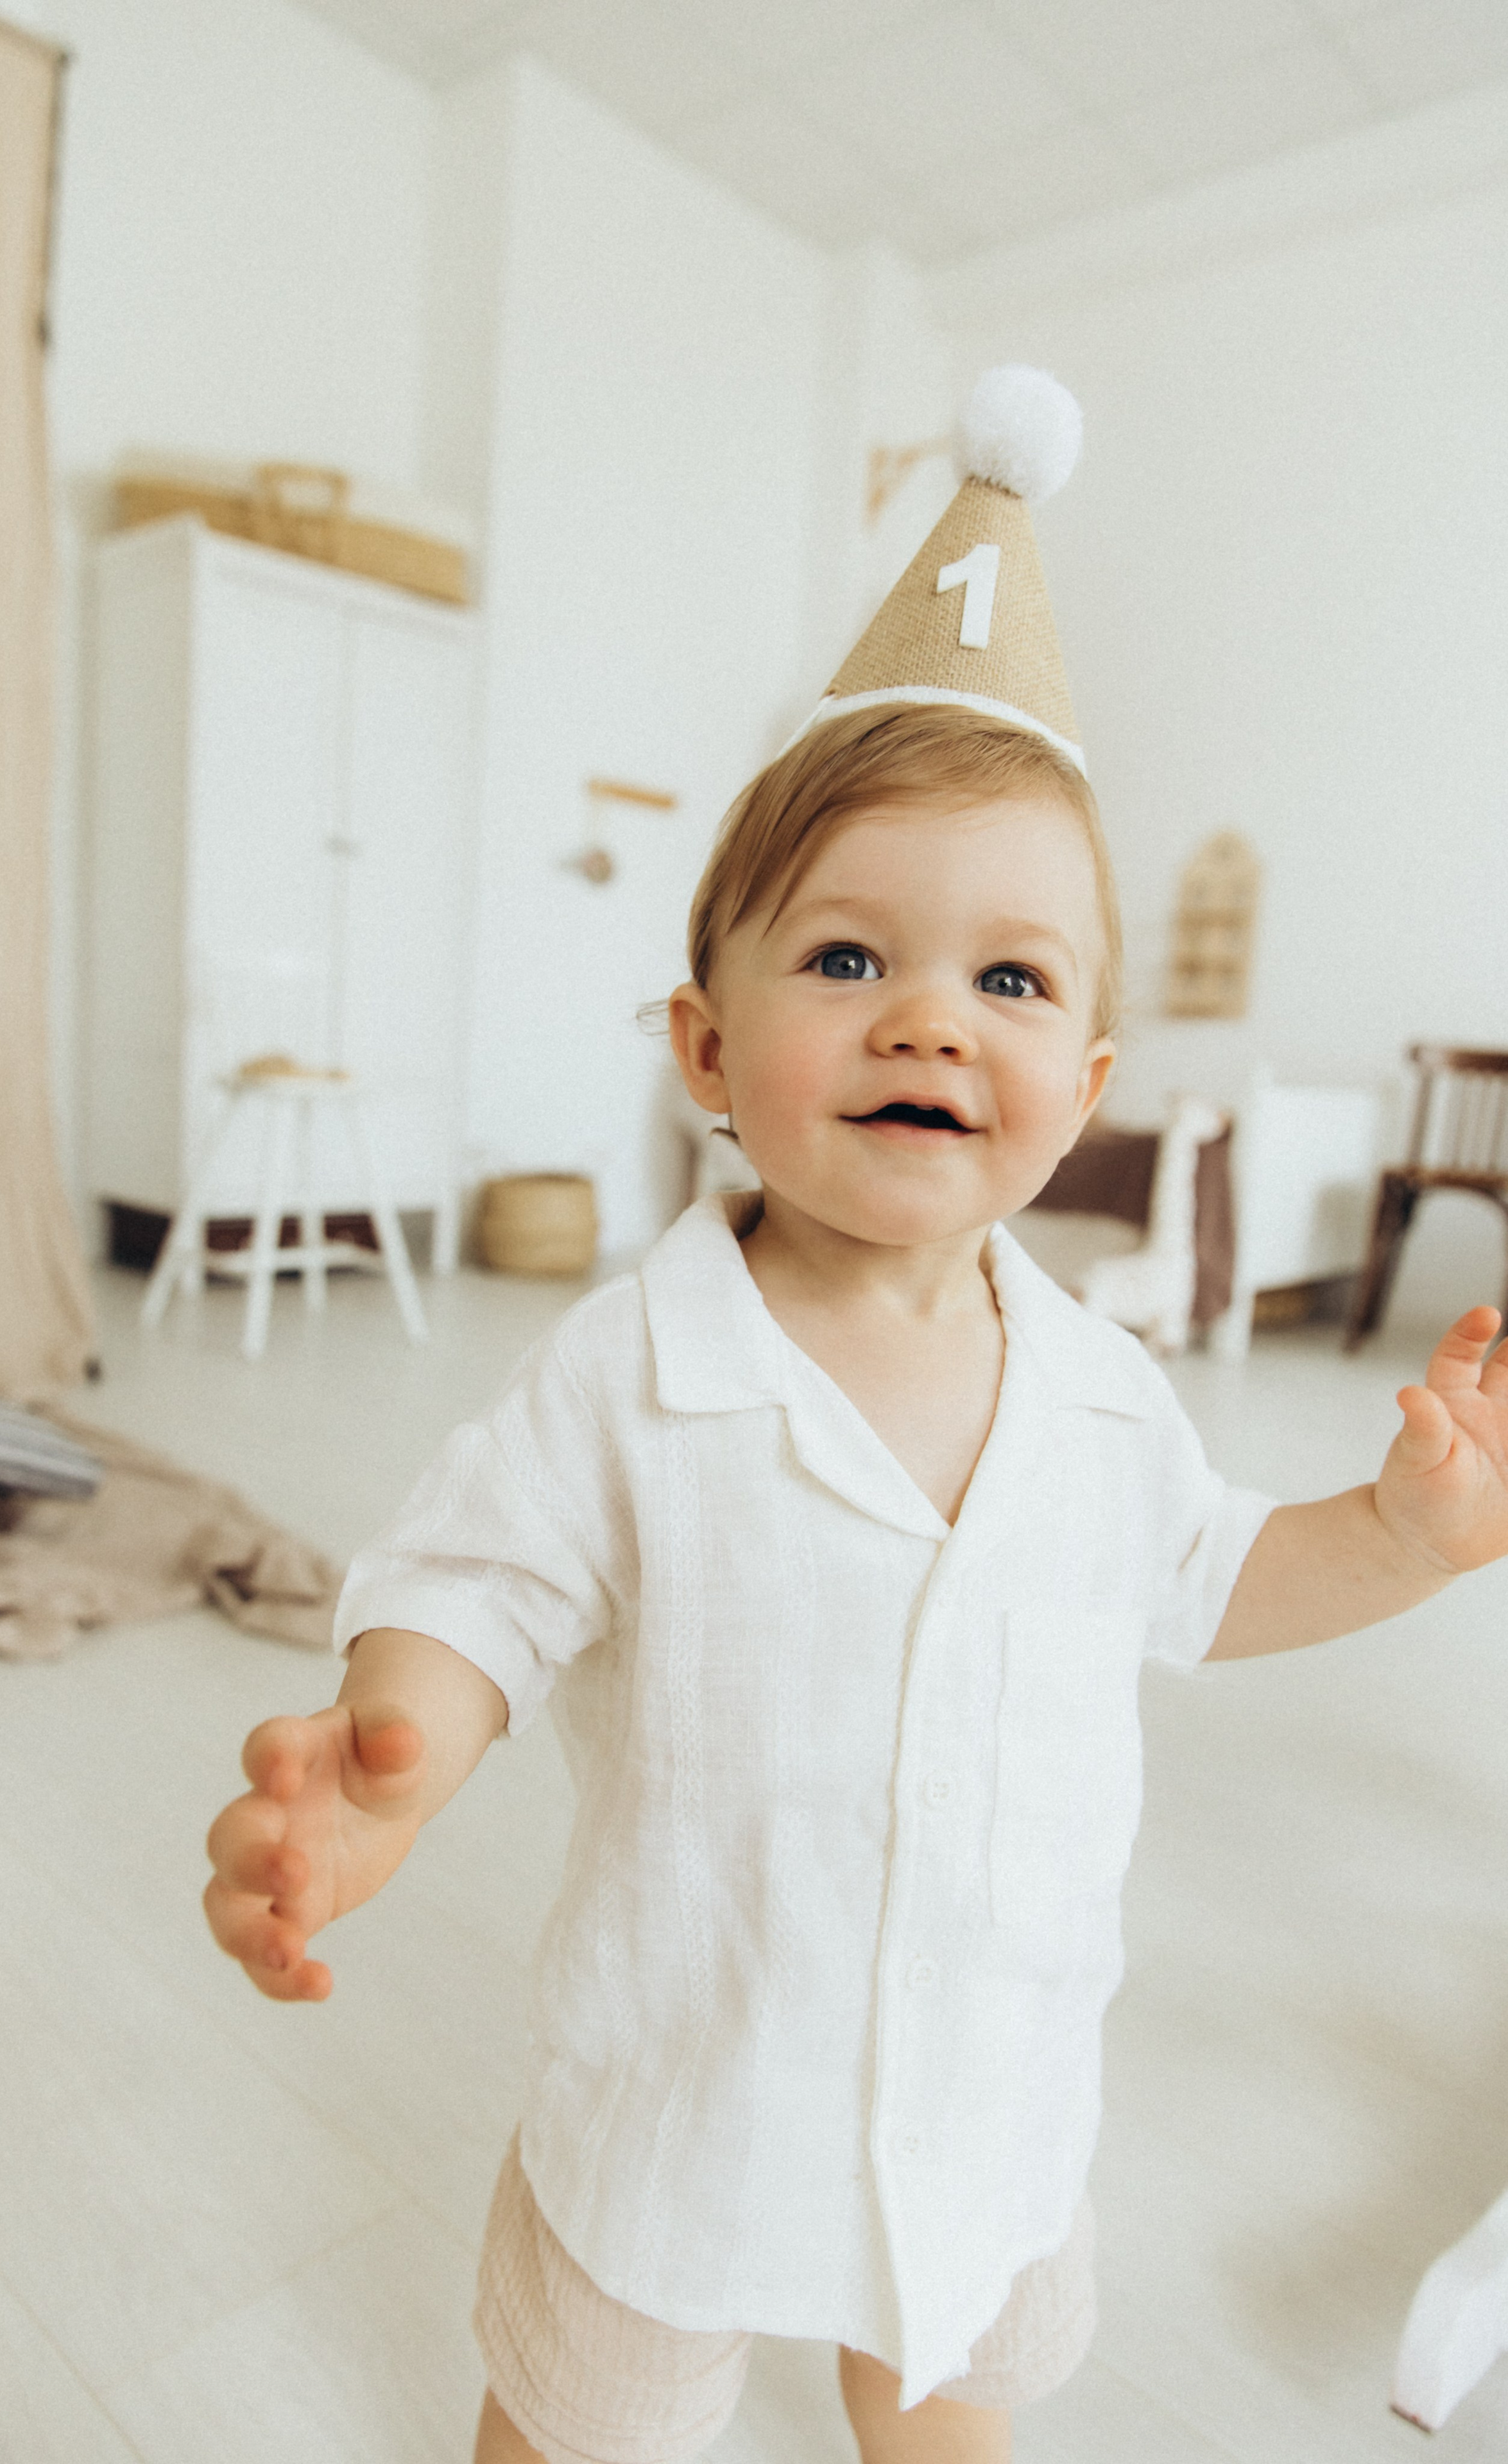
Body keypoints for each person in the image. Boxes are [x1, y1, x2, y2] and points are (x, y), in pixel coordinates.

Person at [203, 374, 1508, 2464]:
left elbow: (1213, 1575)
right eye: (846, 956)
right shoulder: (636, 1365)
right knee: (583, 2420)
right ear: (710, 1047)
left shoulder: (1095, 1390)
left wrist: (1409, 1530)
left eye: (1011, 981)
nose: (927, 1014)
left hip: (988, 2098)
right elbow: (479, 1575)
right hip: (686, 2095)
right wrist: (402, 1747)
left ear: (1083, 1087)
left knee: (956, 2405)